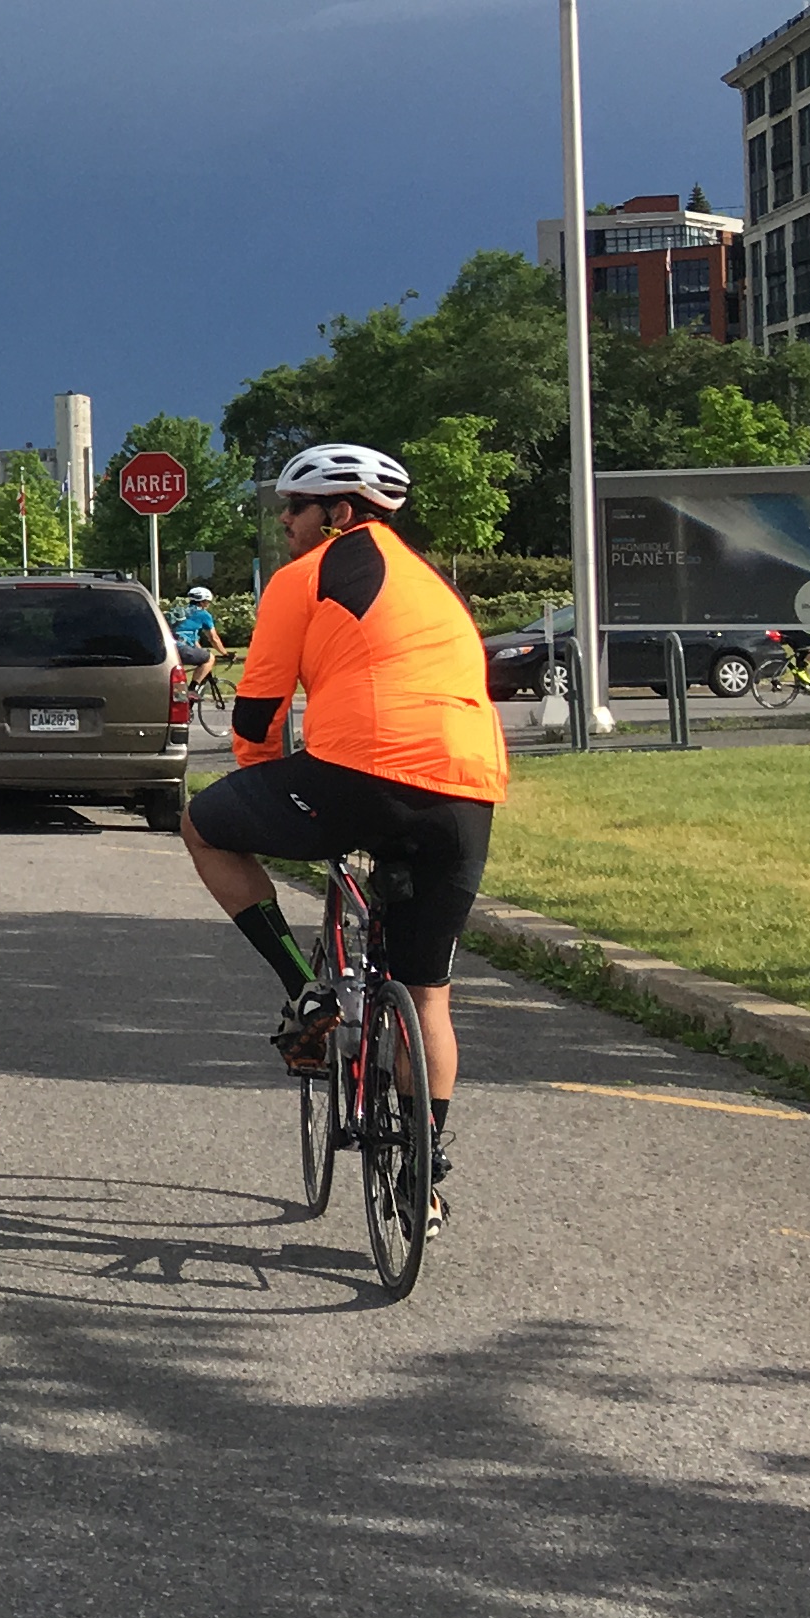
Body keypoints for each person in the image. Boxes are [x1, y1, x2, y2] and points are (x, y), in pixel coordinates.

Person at [177, 442, 504, 1227]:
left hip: (362, 771)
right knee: (429, 995)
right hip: (468, 789)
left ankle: (307, 988)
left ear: (339, 514)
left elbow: (255, 718)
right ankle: (422, 1174)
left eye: (294, 506)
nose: (284, 520)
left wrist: (265, 785)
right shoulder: (437, 588)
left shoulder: (306, 576)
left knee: (201, 824)